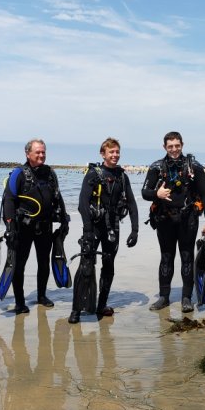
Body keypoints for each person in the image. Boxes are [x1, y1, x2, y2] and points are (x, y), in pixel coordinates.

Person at [69, 138, 139, 323]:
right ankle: (76, 310)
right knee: (85, 265)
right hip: (93, 227)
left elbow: (132, 203)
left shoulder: (122, 177)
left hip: (113, 227)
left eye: (117, 152)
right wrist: (88, 230)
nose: (115, 155)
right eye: (111, 152)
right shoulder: (94, 174)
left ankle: (101, 305)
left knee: (108, 266)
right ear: (103, 154)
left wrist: (135, 230)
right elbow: (83, 204)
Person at [143, 131, 205, 313]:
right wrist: (157, 193)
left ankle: (186, 298)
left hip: (187, 219)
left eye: (177, 146)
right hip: (164, 219)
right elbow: (145, 192)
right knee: (166, 257)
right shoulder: (156, 167)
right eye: (170, 146)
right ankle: (164, 297)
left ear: (182, 145)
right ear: (164, 147)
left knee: (187, 256)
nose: (174, 149)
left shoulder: (194, 167)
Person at [2, 139, 69, 314]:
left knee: (44, 262)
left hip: (45, 226)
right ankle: (19, 302)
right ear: (28, 153)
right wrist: (10, 226)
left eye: (43, 152)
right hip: (22, 228)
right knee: (19, 265)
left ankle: (41, 296)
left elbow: (58, 196)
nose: (41, 155)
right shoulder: (19, 173)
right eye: (37, 152)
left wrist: (64, 220)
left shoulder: (50, 173)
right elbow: (8, 200)